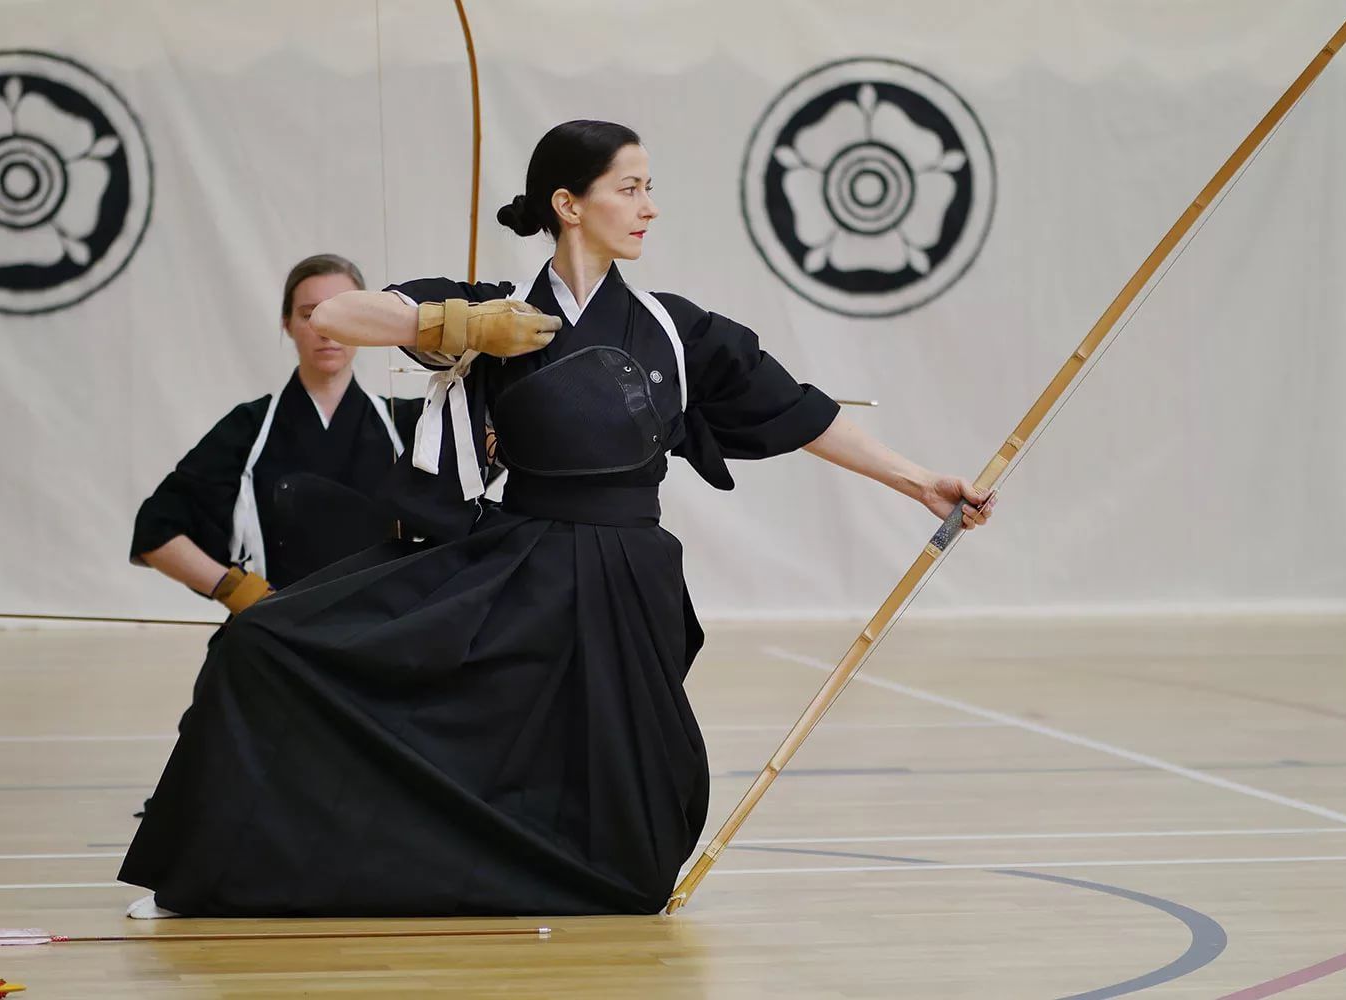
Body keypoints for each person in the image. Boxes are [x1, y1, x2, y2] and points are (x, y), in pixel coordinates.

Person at [119, 120, 993, 918]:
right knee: (263, 644)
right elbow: (338, 312)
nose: (649, 206)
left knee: (643, 824)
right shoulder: (499, 313)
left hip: (624, 576)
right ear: (568, 206)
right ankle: (266, 864)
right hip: (517, 565)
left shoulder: (675, 329)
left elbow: (798, 410)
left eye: (650, 187)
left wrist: (918, 481)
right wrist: (463, 323)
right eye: (630, 187)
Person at [130, 254, 423, 615]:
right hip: (280, 634)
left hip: (383, 634)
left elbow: (496, 443)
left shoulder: (411, 423)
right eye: (309, 314)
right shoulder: (249, 428)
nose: (327, 330)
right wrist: (239, 593)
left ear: (367, 326)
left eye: (343, 315)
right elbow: (156, 530)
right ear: (287, 323)